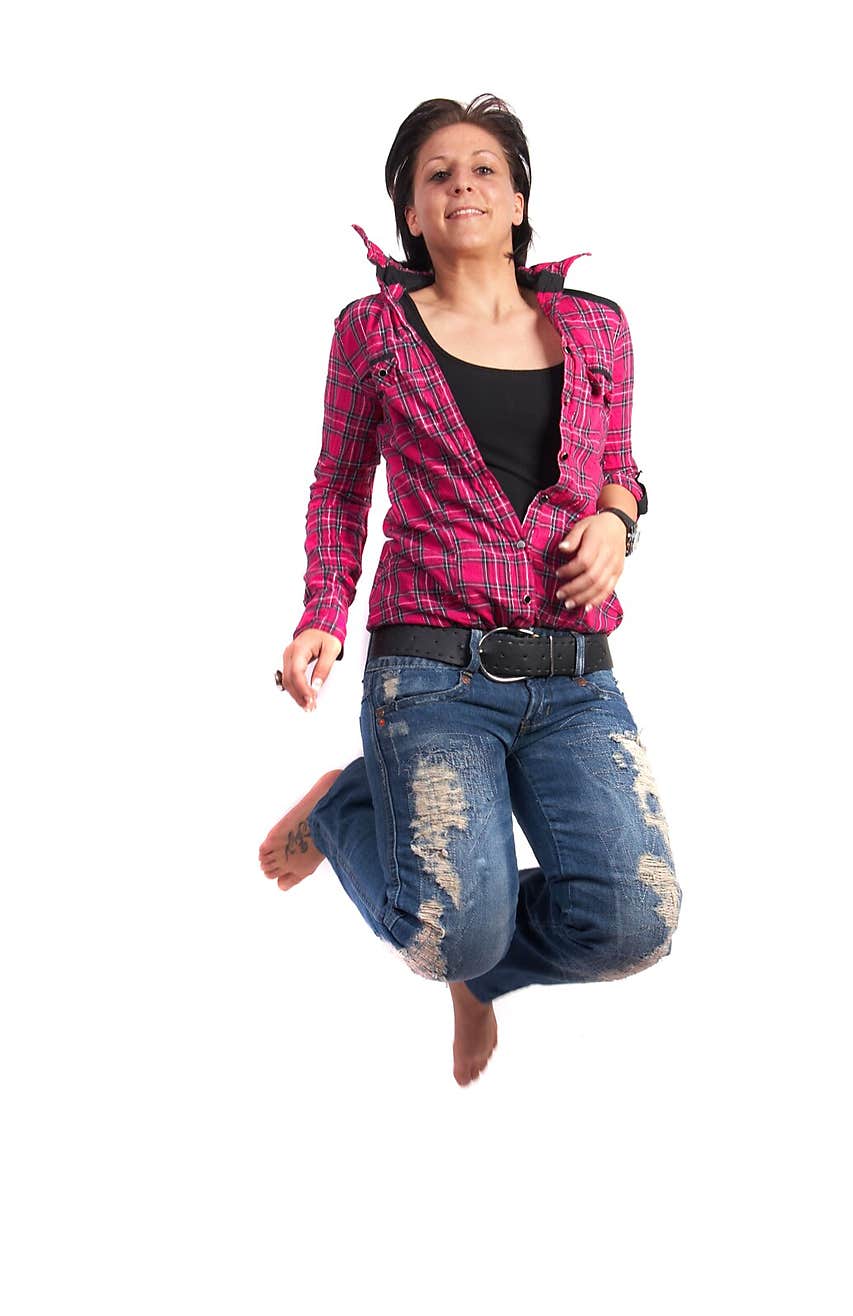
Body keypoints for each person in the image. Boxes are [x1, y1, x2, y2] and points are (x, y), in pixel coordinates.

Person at [259, 94, 683, 1087]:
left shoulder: (597, 327)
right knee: (442, 934)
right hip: (431, 671)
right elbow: (339, 481)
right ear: (410, 211)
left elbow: (619, 466)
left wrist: (617, 523)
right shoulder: (371, 331)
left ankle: (479, 964)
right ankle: (346, 816)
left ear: (520, 195)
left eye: (485, 167)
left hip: (576, 677)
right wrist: (323, 613)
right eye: (438, 174)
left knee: (635, 921)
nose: (463, 186)